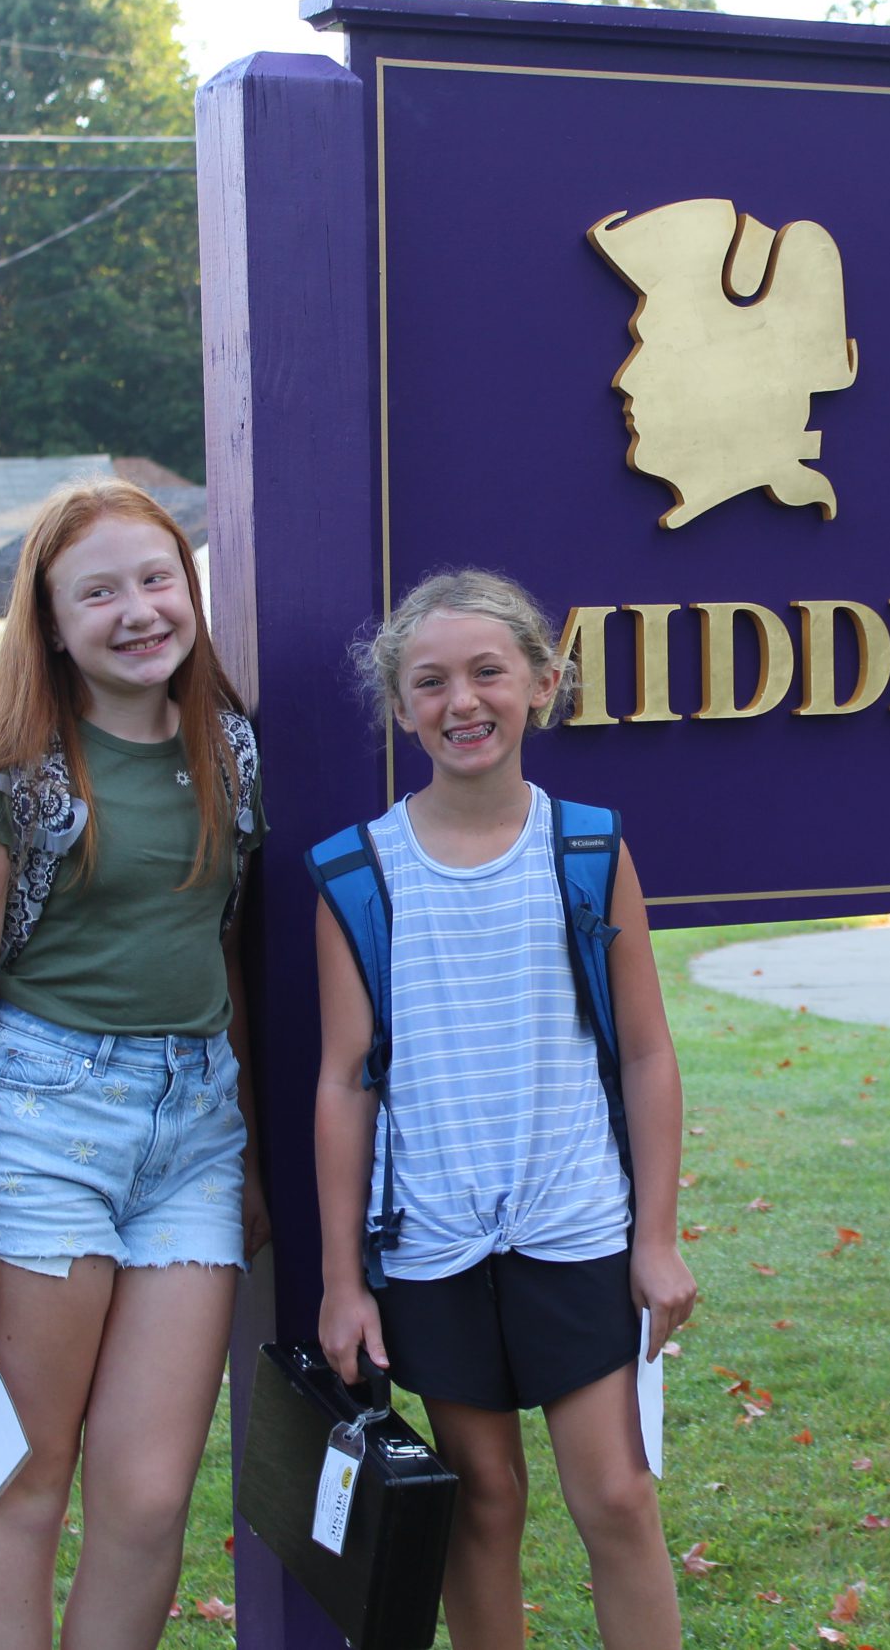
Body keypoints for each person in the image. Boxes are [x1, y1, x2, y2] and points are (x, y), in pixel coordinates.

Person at [0, 478, 266, 1650]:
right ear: (50, 623)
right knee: (25, 1482)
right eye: (97, 592)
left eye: (157, 579)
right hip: (42, 1131)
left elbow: (224, 952)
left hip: (194, 1133)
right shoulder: (4, 778)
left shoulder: (230, 750)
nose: (138, 611)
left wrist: (249, 1146)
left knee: (151, 1496)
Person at [314, 569, 695, 1650]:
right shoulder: (359, 875)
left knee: (615, 1496)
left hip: (572, 1225)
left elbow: (648, 1054)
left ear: (542, 681)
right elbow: (345, 1082)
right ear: (400, 708)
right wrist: (346, 1283)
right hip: (433, 1242)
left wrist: (656, 1238)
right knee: (483, 1506)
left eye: (488, 672)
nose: (461, 701)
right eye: (429, 682)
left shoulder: (584, 850)